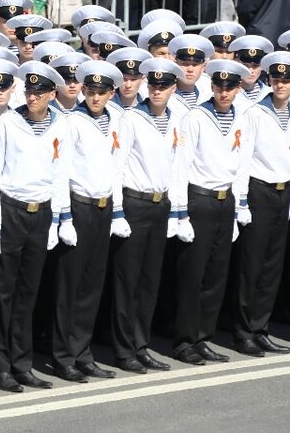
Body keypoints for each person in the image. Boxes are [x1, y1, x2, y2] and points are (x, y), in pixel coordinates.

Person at [0, 61, 69, 392]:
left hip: (42, 212)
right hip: (11, 209)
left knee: (28, 293)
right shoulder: (8, 122)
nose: (32, 96)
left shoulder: (60, 124)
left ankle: (22, 362)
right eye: (29, 91)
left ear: (52, 94)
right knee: (3, 293)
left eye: (40, 92)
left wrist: (60, 219)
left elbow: (60, 172)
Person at [170, 61, 251, 365]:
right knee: (193, 274)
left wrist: (239, 204)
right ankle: (184, 340)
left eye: (230, 87)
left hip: (224, 200)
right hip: (199, 199)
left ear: (238, 89)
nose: (224, 92)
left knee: (216, 275)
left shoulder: (241, 118)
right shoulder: (196, 117)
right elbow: (182, 164)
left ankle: (204, 336)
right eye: (219, 87)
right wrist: (181, 212)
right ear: (212, 87)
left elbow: (242, 163)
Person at [109, 57, 184, 374]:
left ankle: (141, 344)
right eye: (152, 84)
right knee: (128, 282)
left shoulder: (177, 119)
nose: (157, 90)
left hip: (160, 204)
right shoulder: (131, 118)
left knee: (150, 282)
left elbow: (178, 166)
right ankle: (125, 349)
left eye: (163, 85)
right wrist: (117, 211)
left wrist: (178, 211)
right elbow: (116, 165)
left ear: (173, 88)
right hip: (134, 204)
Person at [232, 51, 290, 357]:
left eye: (287, 80)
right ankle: (243, 331)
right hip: (259, 192)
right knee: (251, 266)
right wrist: (242, 201)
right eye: (275, 79)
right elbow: (243, 159)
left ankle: (260, 328)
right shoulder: (254, 113)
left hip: (282, 191)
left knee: (272, 266)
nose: (280, 85)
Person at [53, 60, 123, 381]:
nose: (95, 98)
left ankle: (82, 351)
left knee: (92, 285)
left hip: (103, 207)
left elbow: (116, 167)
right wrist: (64, 215)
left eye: (102, 92)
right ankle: (63, 355)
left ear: (112, 93)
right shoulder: (71, 121)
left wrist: (117, 210)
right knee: (70, 286)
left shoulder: (116, 119)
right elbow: (62, 170)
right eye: (90, 91)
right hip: (78, 207)